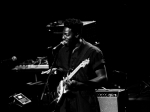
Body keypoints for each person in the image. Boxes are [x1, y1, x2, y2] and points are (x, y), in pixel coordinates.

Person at [43, 18, 108, 112]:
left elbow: (103, 77)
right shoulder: (62, 51)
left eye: (66, 35)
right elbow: (65, 70)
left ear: (77, 35)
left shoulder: (93, 51)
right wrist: (57, 72)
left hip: (85, 101)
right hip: (65, 102)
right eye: (63, 34)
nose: (63, 38)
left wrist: (81, 84)